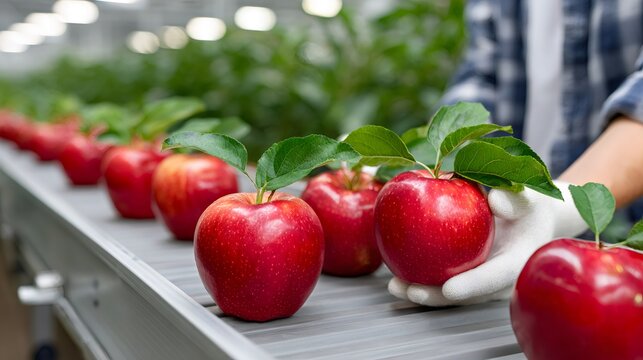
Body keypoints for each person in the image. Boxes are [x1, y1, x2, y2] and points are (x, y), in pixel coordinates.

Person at [390, 0, 643, 306]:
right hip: (515, 236)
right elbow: (482, 80)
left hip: (623, 262)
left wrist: (561, 206)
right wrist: (425, 169)